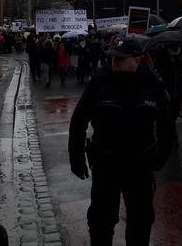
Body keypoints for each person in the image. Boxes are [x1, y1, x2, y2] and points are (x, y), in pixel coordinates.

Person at [68, 37, 175, 246]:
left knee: (141, 220)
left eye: (121, 58)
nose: (115, 61)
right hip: (106, 163)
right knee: (101, 221)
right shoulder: (100, 82)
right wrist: (76, 157)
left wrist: (161, 156)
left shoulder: (152, 84)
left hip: (139, 165)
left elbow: (166, 123)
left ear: (137, 60)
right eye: (113, 57)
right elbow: (79, 119)